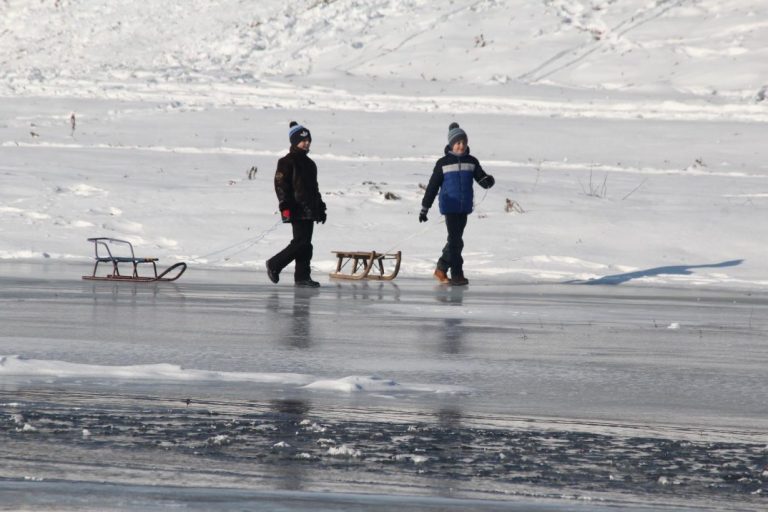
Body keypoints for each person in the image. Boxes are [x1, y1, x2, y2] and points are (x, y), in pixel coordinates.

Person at [419, 122, 495, 286]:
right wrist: (424, 209)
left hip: (464, 207)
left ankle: (441, 268)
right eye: (458, 143)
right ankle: (457, 274)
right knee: (455, 241)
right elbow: (432, 187)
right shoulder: (443, 163)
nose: (461, 146)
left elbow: (481, 179)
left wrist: (488, 181)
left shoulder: (471, 161)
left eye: (463, 142)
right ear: (451, 144)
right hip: (450, 206)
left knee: (456, 240)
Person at [266, 121, 327, 288]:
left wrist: (320, 208)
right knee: (300, 242)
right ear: (294, 141)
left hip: (309, 209)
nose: (307, 143)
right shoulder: (287, 161)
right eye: (303, 140)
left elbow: (314, 189)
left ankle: (302, 277)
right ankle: (274, 264)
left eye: (308, 140)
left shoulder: (310, 164)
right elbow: (281, 185)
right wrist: (285, 206)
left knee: (306, 244)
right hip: (296, 208)